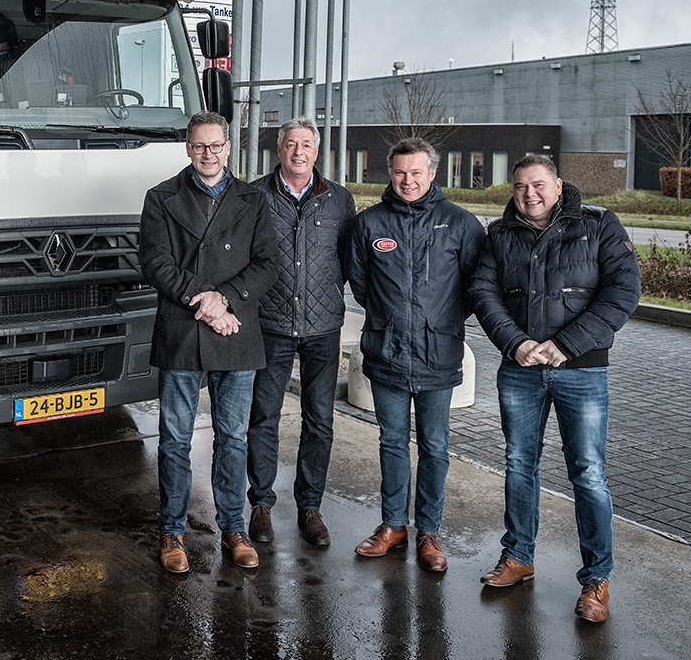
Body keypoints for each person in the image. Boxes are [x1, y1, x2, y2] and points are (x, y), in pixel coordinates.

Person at [470, 154, 640, 622]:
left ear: (559, 185)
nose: (530, 194)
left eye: (539, 185)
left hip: (582, 370)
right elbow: (483, 293)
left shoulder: (599, 225)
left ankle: (596, 580)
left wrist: (567, 345)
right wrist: (516, 343)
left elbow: (623, 292)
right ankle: (518, 557)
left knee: (588, 473)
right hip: (520, 368)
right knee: (518, 463)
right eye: (520, 186)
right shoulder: (499, 234)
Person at [139, 112, 279, 573]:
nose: (208, 154)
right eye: (199, 146)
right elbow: (155, 263)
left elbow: (267, 264)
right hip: (183, 329)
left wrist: (225, 299)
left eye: (216, 145)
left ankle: (234, 529)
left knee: (233, 437)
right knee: (175, 439)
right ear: (188, 148)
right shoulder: (161, 197)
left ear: (228, 147)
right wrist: (206, 301)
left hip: (235, 330)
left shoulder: (253, 199)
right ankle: (172, 531)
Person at [343, 137, 483, 572]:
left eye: (416, 172)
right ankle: (392, 526)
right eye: (400, 172)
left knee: (435, 446)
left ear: (432, 174)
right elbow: (360, 284)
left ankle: (428, 532)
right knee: (391, 442)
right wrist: (390, 319)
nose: (408, 180)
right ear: (390, 173)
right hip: (386, 351)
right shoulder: (369, 223)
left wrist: (439, 321)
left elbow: (474, 286)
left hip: (437, 353)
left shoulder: (460, 223)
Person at [245, 118, 356, 548]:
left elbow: (348, 258)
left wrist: (326, 291)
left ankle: (310, 507)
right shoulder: (254, 195)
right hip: (271, 324)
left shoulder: (339, 199)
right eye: (291, 144)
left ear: (316, 151)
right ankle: (261, 504)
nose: (298, 152)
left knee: (320, 420)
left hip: (323, 328)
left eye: (306, 145)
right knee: (264, 416)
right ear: (279, 150)